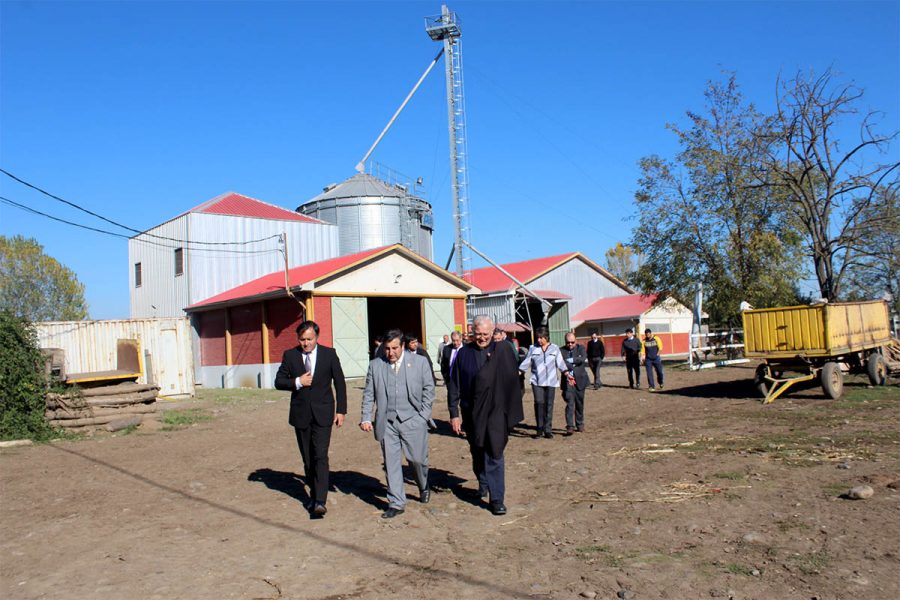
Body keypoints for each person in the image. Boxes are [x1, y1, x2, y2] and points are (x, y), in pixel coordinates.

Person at [447, 315, 523, 515]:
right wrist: (454, 414)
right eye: (477, 334)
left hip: (496, 411)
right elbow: (454, 384)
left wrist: (510, 410)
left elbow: (513, 382)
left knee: (495, 452)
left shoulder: (502, 351)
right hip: (471, 412)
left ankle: (497, 499)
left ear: (493, 332)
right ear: (471, 333)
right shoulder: (463, 354)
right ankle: (483, 482)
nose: (481, 338)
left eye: (485, 334)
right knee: (477, 450)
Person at [274, 320, 347, 518]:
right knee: (308, 458)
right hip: (301, 415)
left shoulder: (329, 354)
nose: (305, 343)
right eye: (302, 339)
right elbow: (278, 381)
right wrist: (298, 382)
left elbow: (339, 383)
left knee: (320, 456)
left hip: (323, 413)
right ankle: (313, 496)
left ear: (317, 337)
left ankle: (320, 501)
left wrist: (341, 411)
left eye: (309, 339)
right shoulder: (291, 355)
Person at [360, 329, 435, 519]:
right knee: (391, 462)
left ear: (403, 346)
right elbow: (369, 393)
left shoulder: (419, 362)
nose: (390, 353)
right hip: (387, 422)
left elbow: (429, 389)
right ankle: (396, 502)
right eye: (387, 349)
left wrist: (423, 416)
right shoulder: (376, 365)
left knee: (417, 459)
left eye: (394, 348)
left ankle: (423, 484)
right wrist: (366, 417)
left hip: (413, 419)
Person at [518, 326, 572, 439]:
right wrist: (517, 373)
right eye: (538, 338)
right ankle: (539, 429)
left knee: (549, 404)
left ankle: (547, 429)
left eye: (541, 338)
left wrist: (567, 374)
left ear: (546, 337)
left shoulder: (555, 348)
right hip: (536, 381)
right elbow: (526, 363)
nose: (539, 340)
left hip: (551, 381)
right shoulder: (533, 348)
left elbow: (560, 363)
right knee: (539, 403)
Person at [560, 333, 589, 434]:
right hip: (568, 381)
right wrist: (572, 363)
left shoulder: (581, 348)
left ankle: (580, 424)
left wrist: (570, 361)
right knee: (570, 403)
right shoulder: (561, 350)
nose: (570, 344)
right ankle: (570, 426)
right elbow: (561, 363)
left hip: (580, 379)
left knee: (579, 403)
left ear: (575, 341)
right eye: (568, 342)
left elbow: (582, 358)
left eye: (572, 342)